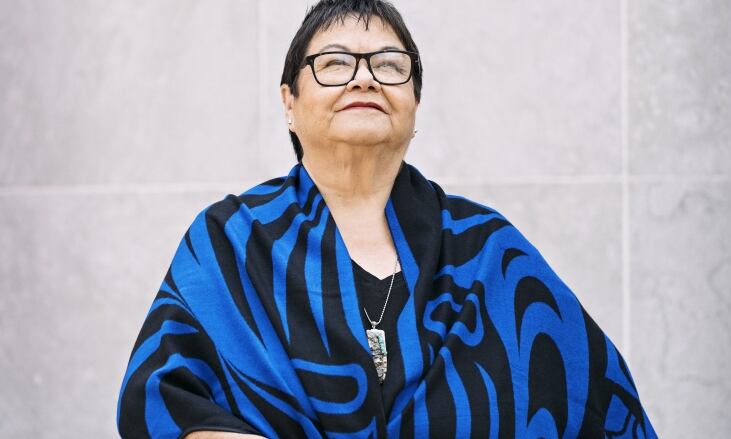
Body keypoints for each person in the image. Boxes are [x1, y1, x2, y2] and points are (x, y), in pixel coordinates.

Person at [117, 1, 658, 438]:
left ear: (414, 104)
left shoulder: (489, 251)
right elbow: (160, 398)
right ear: (289, 101)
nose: (364, 79)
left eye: (390, 65)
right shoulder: (230, 241)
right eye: (333, 64)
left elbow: (602, 404)